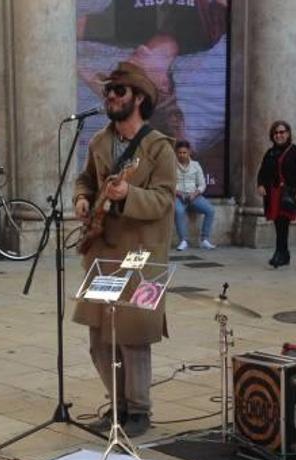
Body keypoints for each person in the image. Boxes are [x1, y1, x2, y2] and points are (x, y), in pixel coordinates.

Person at [72, 62, 177, 437]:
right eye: (108, 92)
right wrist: (83, 198)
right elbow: (84, 180)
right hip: (102, 252)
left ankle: (139, 412)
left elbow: (164, 200)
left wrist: (128, 194)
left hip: (142, 255)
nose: (111, 97)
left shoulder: (159, 148)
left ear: (139, 98)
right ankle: (117, 406)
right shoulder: (99, 141)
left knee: (133, 338)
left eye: (119, 91)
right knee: (99, 338)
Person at [256, 120, 296, 268]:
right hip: (274, 193)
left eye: (282, 132)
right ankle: (283, 254)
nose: (279, 135)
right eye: (276, 133)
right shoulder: (270, 152)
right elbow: (263, 171)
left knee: (282, 223)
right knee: (278, 223)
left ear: (288, 134)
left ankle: (280, 253)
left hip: (288, 194)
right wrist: (260, 184)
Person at [172, 140, 216, 251]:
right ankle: (183, 241)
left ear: (189, 152)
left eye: (184, 153)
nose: (182, 155)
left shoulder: (196, 165)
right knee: (178, 211)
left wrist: (195, 194)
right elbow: (168, 184)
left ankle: (205, 239)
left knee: (210, 210)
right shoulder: (171, 166)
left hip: (193, 196)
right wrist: (178, 193)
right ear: (176, 153)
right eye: (180, 153)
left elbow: (202, 184)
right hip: (178, 196)